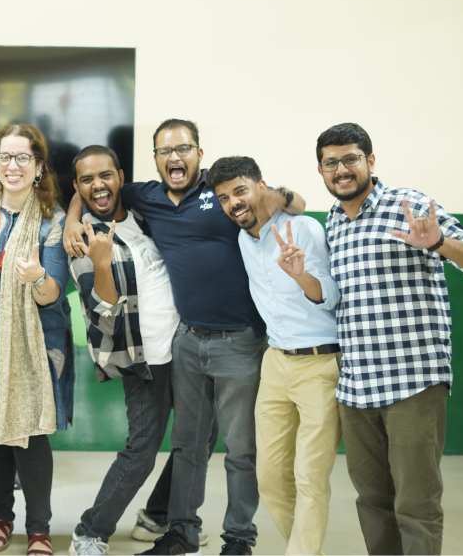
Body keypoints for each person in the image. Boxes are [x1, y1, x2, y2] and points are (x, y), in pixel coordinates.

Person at [64, 119, 305, 556]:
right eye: (165, 151)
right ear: (154, 159)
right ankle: (155, 531)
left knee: (233, 448)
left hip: (237, 341)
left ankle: (230, 537)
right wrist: (70, 219)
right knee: (176, 446)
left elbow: (291, 204)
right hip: (176, 347)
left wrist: (285, 196)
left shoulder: (221, 192)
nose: (175, 157)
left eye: (184, 148)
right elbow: (92, 190)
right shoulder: (142, 199)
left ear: (199, 152)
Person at [313, 123, 463, 556]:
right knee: (372, 502)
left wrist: (440, 243)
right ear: (320, 171)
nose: (342, 169)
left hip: (413, 383)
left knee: (416, 504)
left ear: (370, 162)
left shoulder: (408, 204)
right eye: (331, 163)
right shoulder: (333, 223)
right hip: (356, 388)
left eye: (351, 159)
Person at [208, 156, 341, 556]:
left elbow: (331, 296)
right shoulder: (242, 240)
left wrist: (299, 273)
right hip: (275, 362)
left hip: (320, 363)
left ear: (261, 186)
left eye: (240, 191)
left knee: (309, 477)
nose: (233, 203)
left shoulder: (303, 228)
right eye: (224, 197)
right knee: (269, 478)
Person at [0, 123, 74, 556]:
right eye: (6, 156)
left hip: (36, 340)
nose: (13, 165)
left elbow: (52, 294)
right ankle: (0, 518)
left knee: (30, 433)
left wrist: (37, 276)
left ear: (39, 166)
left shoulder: (53, 221)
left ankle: (38, 529)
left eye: (24, 157)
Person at [64, 146, 181, 556]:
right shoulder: (80, 238)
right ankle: (90, 531)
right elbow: (104, 314)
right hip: (140, 359)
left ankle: (157, 516)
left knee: (197, 442)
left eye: (106, 176)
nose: (98, 185)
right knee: (142, 451)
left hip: (183, 350)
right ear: (76, 185)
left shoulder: (148, 215)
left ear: (121, 177)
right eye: (86, 180)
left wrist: (75, 206)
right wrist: (100, 262)